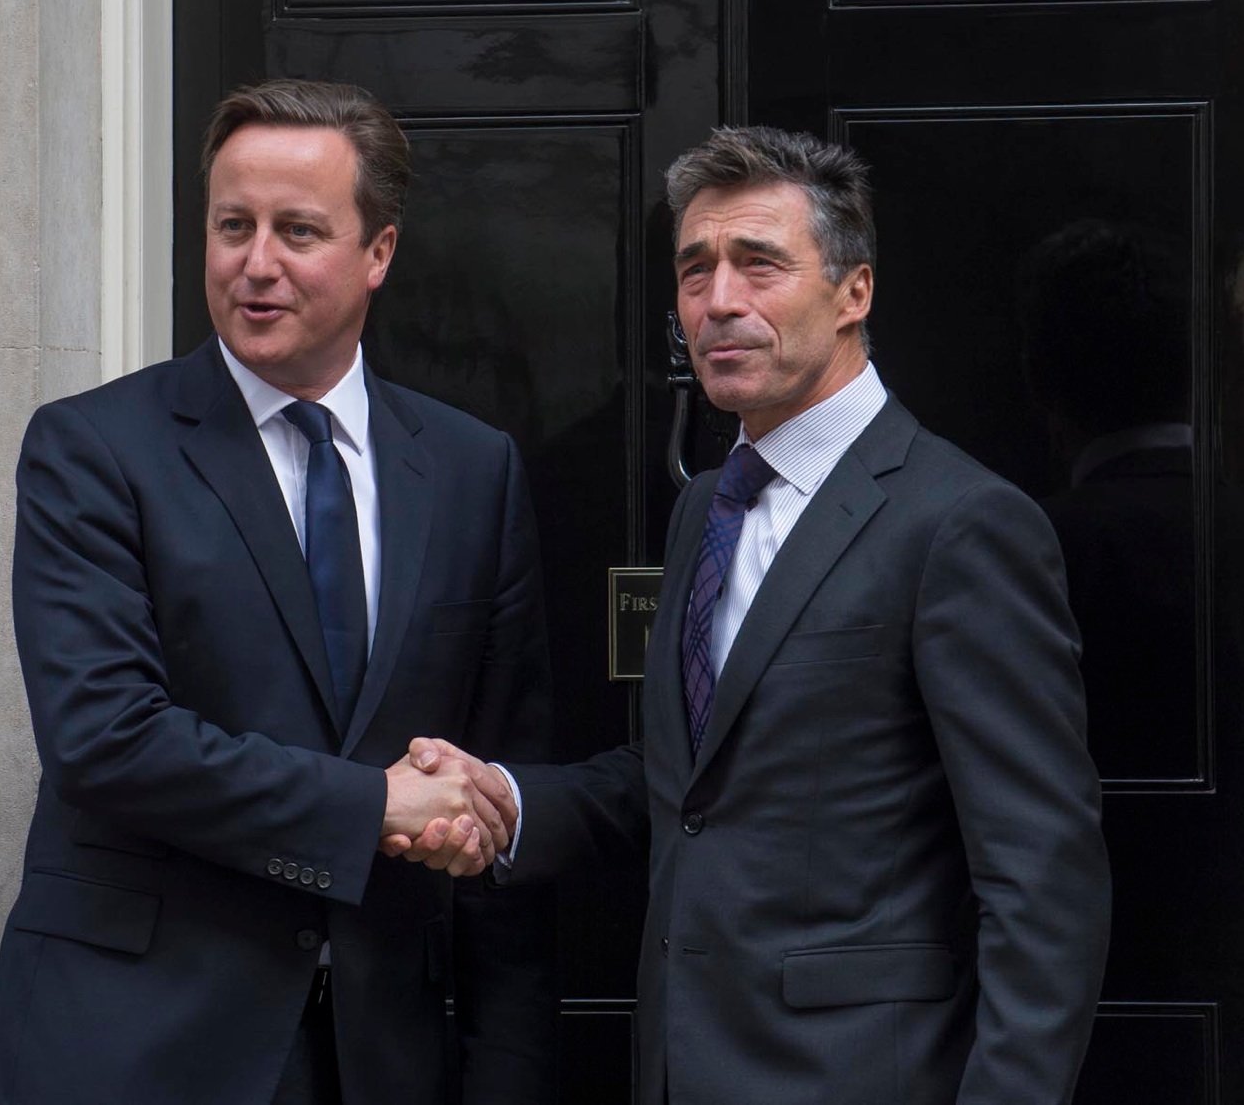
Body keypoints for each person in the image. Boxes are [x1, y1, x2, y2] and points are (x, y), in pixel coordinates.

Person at [396, 127, 1113, 1104]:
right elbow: (685, 790)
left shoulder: (960, 526)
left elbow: (1043, 883)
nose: (718, 301)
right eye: (695, 271)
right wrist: (503, 802)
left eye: (759, 265)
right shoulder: (707, 505)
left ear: (853, 292)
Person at [0, 80, 552, 1105]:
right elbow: (105, 737)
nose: (255, 263)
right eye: (232, 225)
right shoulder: (94, 450)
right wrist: (371, 804)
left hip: (381, 1058)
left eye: (298, 230)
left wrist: (505, 1076)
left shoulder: (471, 470)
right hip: (130, 1051)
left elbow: (499, 788)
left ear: (378, 253)